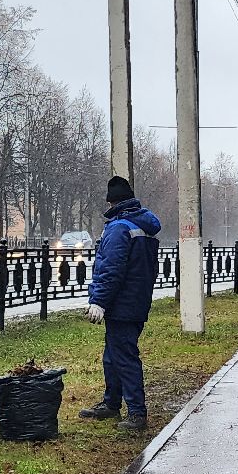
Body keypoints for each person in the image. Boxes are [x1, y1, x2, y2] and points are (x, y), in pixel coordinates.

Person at [78, 176, 162, 433]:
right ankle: (111, 403)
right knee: (113, 355)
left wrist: (99, 301)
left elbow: (110, 268)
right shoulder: (144, 224)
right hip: (137, 300)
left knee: (124, 357)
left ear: (111, 201)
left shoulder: (118, 228)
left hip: (122, 303)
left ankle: (136, 413)